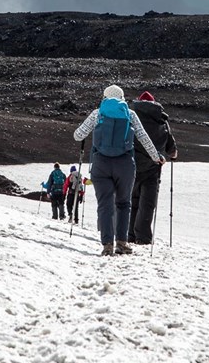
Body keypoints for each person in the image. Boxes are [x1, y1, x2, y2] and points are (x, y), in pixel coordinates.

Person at [73, 85, 164, 256]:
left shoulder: (97, 113)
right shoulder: (130, 114)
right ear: (122, 97)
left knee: (105, 204)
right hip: (124, 164)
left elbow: (78, 135)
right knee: (123, 203)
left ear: (105, 97)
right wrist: (156, 157)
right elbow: (143, 137)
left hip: (101, 164)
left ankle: (107, 244)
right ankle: (122, 243)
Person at [129, 91, 178, 244]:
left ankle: (129, 235)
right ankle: (143, 238)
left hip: (132, 166)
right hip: (153, 168)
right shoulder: (161, 119)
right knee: (147, 204)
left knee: (132, 201)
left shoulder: (130, 117)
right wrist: (171, 154)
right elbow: (172, 150)